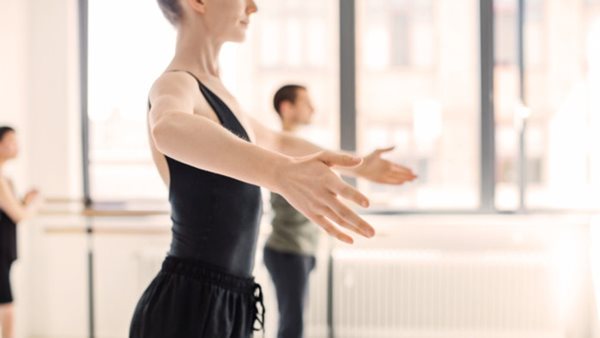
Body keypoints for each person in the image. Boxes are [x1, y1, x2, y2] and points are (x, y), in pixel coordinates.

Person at [130, 1, 417, 337]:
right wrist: (279, 174)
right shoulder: (175, 84)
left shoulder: (220, 94)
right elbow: (168, 127)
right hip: (187, 307)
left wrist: (359, 164)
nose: (253, 7)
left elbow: (278, 142)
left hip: (232, 300)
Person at [263, 85, 415, 338]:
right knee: (292, 326)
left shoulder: (296, 147)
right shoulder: (283, 146)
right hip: (287, 250)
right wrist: (362, 165)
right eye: (305, 102)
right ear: (286, 108)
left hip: (299, 249)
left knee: (294, 322)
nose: (313, 108)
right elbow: (314, 155)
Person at [0, 126, 40, 338]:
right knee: (7, 308)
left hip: (5, 252)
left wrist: (26, 201)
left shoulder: (6, 179)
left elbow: (9, 210)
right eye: (12, 141)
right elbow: (18, 214)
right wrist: (34, 206)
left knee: (7, 307)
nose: (17, 146)